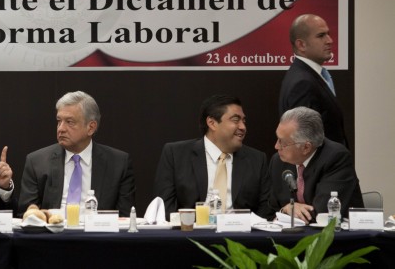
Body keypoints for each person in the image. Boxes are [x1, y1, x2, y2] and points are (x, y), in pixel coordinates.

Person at [153, 95, 274, 220]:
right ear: (212, 123)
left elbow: (265, 210)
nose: (243, 127)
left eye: (244, 121)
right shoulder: (176, 154)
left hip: (239, 236)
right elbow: (164, 209)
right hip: (190, 235)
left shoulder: (257, 159)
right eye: (235, 120)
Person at [18, 91, 135, 217]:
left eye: (69, 122)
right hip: (53, 234)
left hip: (98, 235)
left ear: (91, 127)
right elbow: (26, 215)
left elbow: (125, 219)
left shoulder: (118, 164)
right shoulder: (36, 162)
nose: (61, 128)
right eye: (59, 121)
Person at [269, 106, 363, 223]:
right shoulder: (278, 161)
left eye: (283, 142)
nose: (276, 146)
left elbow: (322, 214)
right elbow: (270, 210)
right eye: (278, 139)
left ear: (306, 147)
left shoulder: (336, 158)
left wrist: (288, 211)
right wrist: (286, 210)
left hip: (337, 236)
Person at [279, 14, 348, 148]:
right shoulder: (303, 83)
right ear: (301, 45)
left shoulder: (306, 76)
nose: (330, 40)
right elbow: (303, 143)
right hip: (322, 168)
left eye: (328, 34)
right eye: (321, 36)